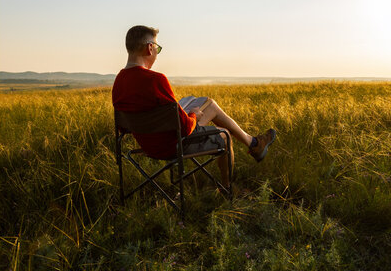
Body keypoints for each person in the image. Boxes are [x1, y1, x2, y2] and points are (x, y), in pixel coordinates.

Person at [112, 25, 276, 188]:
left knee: (208, 103)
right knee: (224, 134)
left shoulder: (119, 81)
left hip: (148, 145)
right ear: (149, 48)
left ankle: (254, 143)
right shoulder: (156, 80)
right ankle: (228, 188)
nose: (156, 53)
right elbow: (185, 129)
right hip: (172, 145)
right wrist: (194, 116)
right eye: (157, 48)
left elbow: (123, 128)